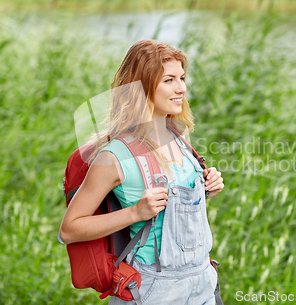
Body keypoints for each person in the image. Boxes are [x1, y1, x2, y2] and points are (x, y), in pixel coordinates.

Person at [59, 39, 224, 304]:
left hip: (203, 283)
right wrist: (135, 212)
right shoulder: (114, 156)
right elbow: (69, 229)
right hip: (154, 291)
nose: (181, 87)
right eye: (169, 80)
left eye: (181, 78)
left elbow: (177, 208)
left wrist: (207, 187)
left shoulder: (179, 137)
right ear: (143, 86)